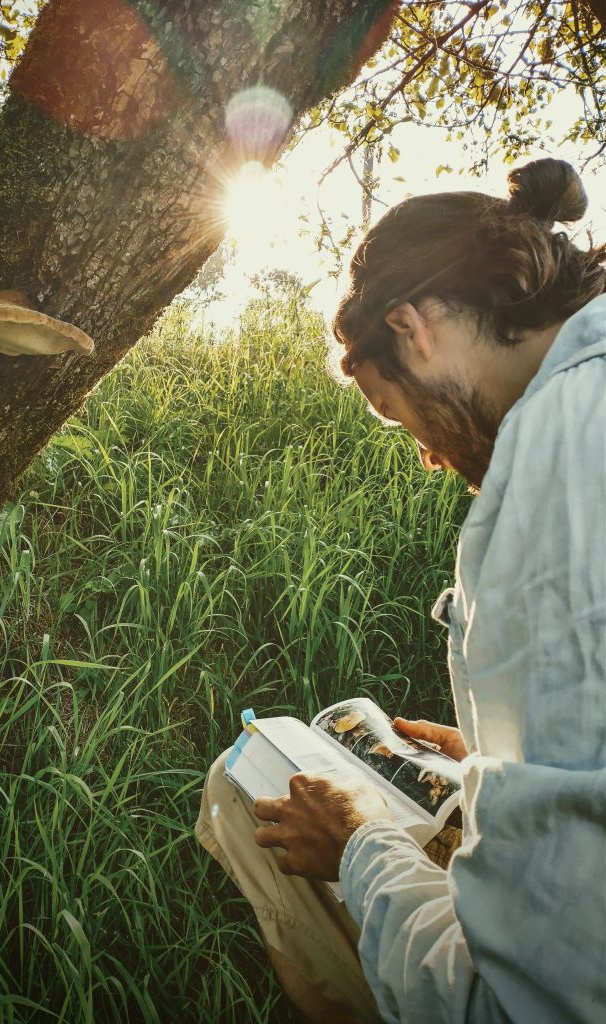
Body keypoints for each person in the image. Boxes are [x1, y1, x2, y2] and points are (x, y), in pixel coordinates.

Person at [195, 157, 606, 1024]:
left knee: (242, 797)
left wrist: (357, 847)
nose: (424, 451)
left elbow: (533, 1004)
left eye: (398, 413)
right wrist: (502, 768)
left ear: (410, 328)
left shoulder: (551, 475)